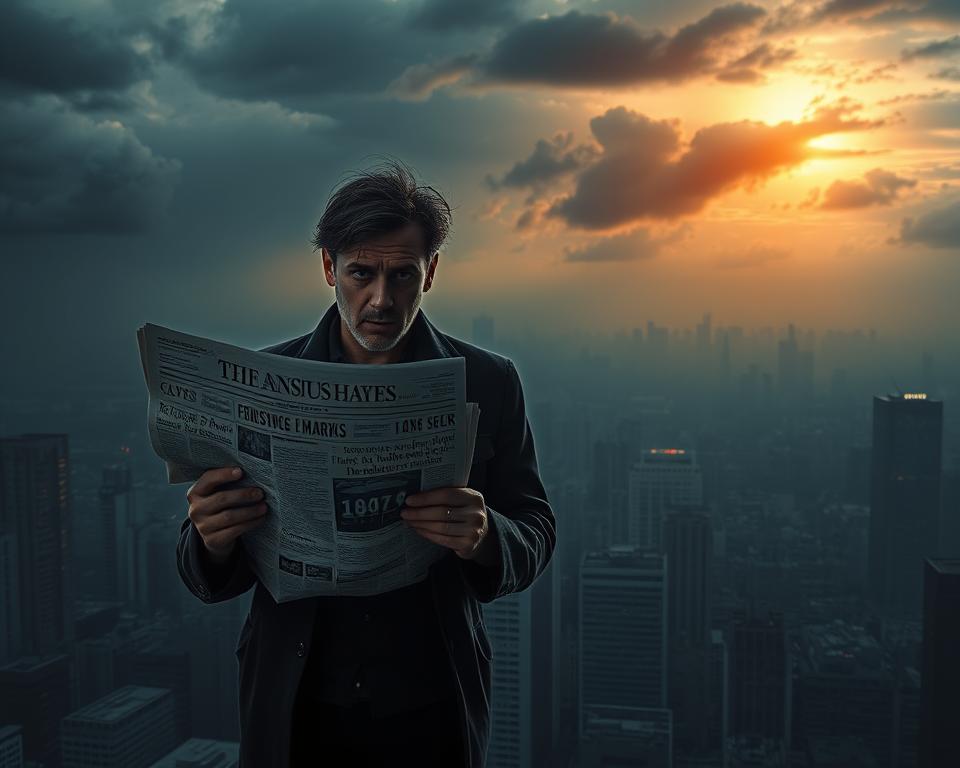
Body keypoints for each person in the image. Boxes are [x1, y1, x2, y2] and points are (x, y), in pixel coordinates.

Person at [175, 161, 556, 767]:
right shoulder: (260, 382)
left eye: (403, 275)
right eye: (361, 273)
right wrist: (212, 537)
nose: (382, 299)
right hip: (295, 710)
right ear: (329, 268)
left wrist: (486, 535)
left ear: (430, 273)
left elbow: (535, 528)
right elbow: (203, 569)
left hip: (430, 707)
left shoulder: (488, 381)